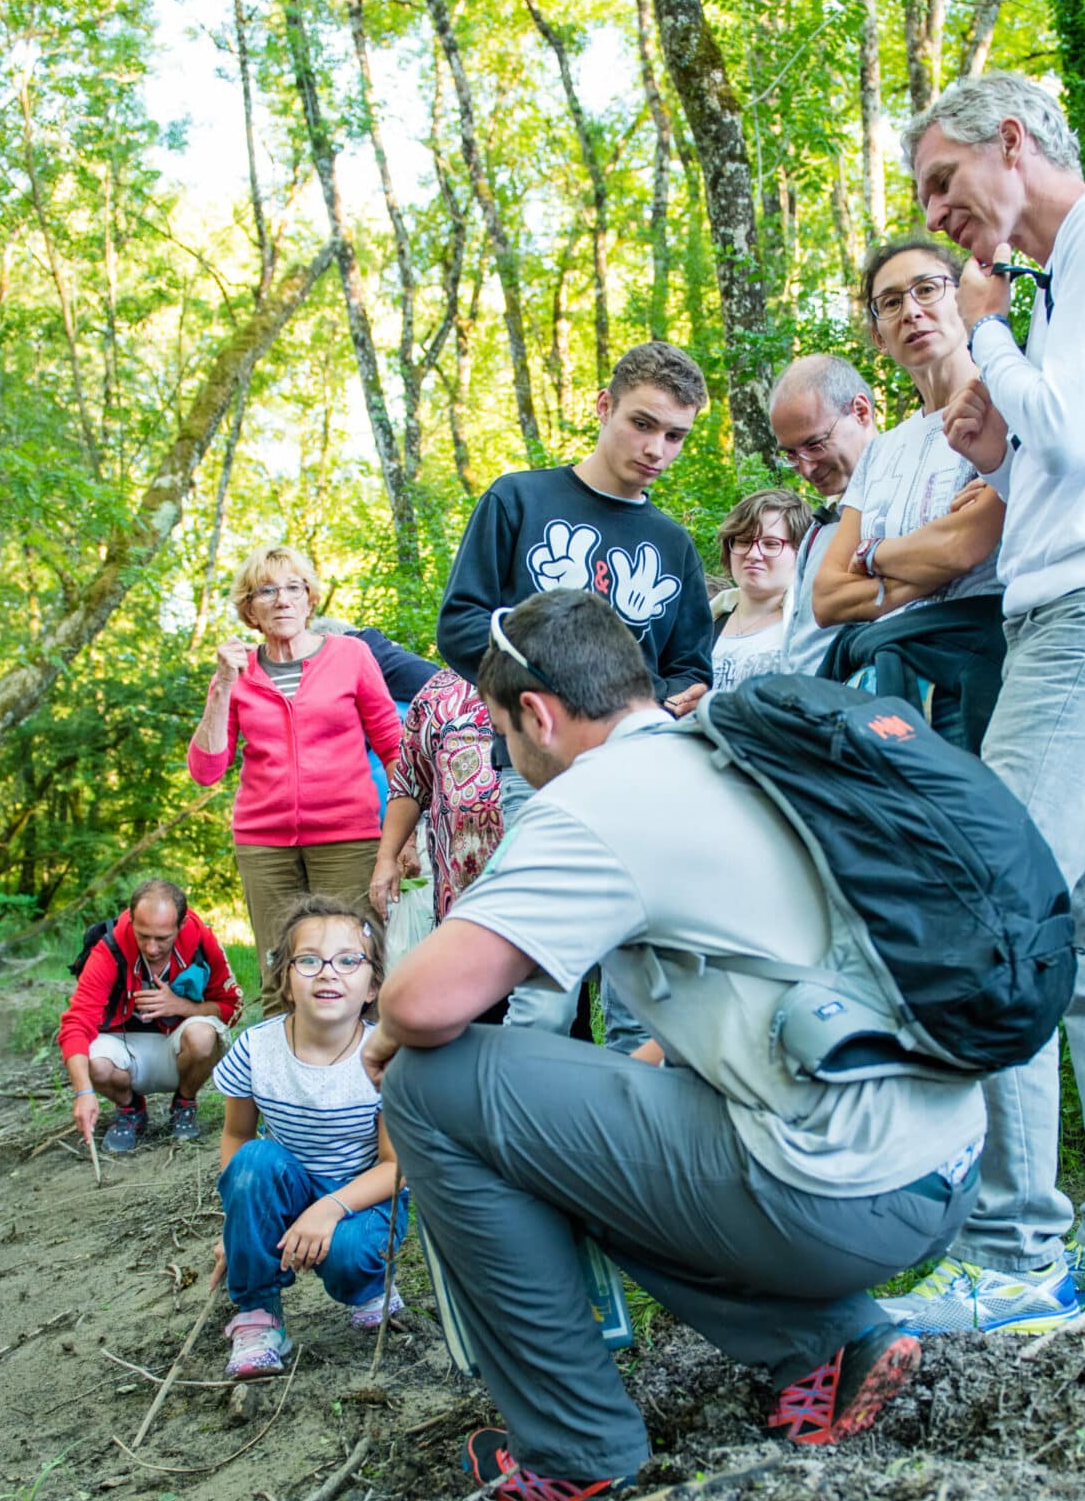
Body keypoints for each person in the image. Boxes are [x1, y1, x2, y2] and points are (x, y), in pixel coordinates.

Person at [364, 593, 987, 1501]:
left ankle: (575, 1444)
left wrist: (380, 1036)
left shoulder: (596, 801)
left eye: (502, 738)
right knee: (585, 1124)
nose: (506, 762)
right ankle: (829, 1343)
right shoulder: (736, 748)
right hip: (943, 1161)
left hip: (840, 1195)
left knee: (430, 1085)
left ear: (534, 712)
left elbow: (421, 1001)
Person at [879, 67, 1085, 1335]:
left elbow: (1063, 424)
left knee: (993, 911)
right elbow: (1049, 445)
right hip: (1074, 613)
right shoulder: (1069, 275)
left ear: (1010, 143)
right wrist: (987, 427)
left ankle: (1012, 1249)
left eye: (942, 183)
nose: (938, 211)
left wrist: (987, 331)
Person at [436, 339, 716, 804]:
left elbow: (689, 667)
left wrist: (676, 697)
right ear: (605, 407)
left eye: (675, 435)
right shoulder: (517, 501)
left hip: (641, 769)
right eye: (642, 424)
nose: (655, 449)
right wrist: (553, 685)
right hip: (538, 769)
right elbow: (460, 625)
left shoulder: (673, 544)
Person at [187, 545, 404, 1009]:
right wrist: (223, 684)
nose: (283, 600)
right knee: (280, 974)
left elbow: (393, 746)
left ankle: (362, 1079)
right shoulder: (236, 672)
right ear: (250, 609)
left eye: (293, 588)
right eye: (267, 590)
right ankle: (279, 1081)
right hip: (264, 846)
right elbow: (206, 771)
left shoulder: (351, 655)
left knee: (356, 969)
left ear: (310, 599)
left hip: (349, 839)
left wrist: (403, 838)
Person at [811, 237, 1007, 749]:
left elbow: (967, 544)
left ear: (961, 300)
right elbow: (827, 597)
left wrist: (872, 555)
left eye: (927, 289)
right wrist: (927, 558)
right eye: (891, 303)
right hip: (885, 681)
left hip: (974, 675)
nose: (911, 312)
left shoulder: (1006, 401)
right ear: (879, 336)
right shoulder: (881, 451)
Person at [211, 896, 406, 1377]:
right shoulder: (256, 1050)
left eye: (347, 960)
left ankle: (366, 1286)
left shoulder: (386, 1058)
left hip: (363, 1201)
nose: (328, 973)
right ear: (285, 980)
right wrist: (237, 1230)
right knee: (256, 1161)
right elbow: (237, 1139)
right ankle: (259, 1315)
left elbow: (396, 1168)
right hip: (287, 1189)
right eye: (309, 960)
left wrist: (328, 1209)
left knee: (349, 1254)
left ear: (372, 985)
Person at [59, 880, 241, 1157]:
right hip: (124, 1044)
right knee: (94, 1063)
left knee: (205, 1036)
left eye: (162, 938)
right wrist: (83, 1093)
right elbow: (76, 1021)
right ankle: (130, 1108)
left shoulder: (201, 940)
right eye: (143, 935)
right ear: (131, 920)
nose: (152, 948)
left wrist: (180, 1006)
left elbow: (233, 1006)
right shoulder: (111, 947)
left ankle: (184, 1102)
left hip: (178, 1042)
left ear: (180, 926)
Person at [767, 355, 878, 675]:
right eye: (790, 453)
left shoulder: (901, 501)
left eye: (814, 444)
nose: (805, 468)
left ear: (861, 412)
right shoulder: (821, 525)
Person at [368, 669, 503, 926]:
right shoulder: (437, 690)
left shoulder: (551, 673)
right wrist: (386, 858)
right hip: (458, 890)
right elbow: (409, 783)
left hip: (537, 875)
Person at [708, 488, 814, 692]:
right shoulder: (703, 624)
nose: (754, 554)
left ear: (800, 553)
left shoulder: (810, 629)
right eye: (744, 541)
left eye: (771, 544)